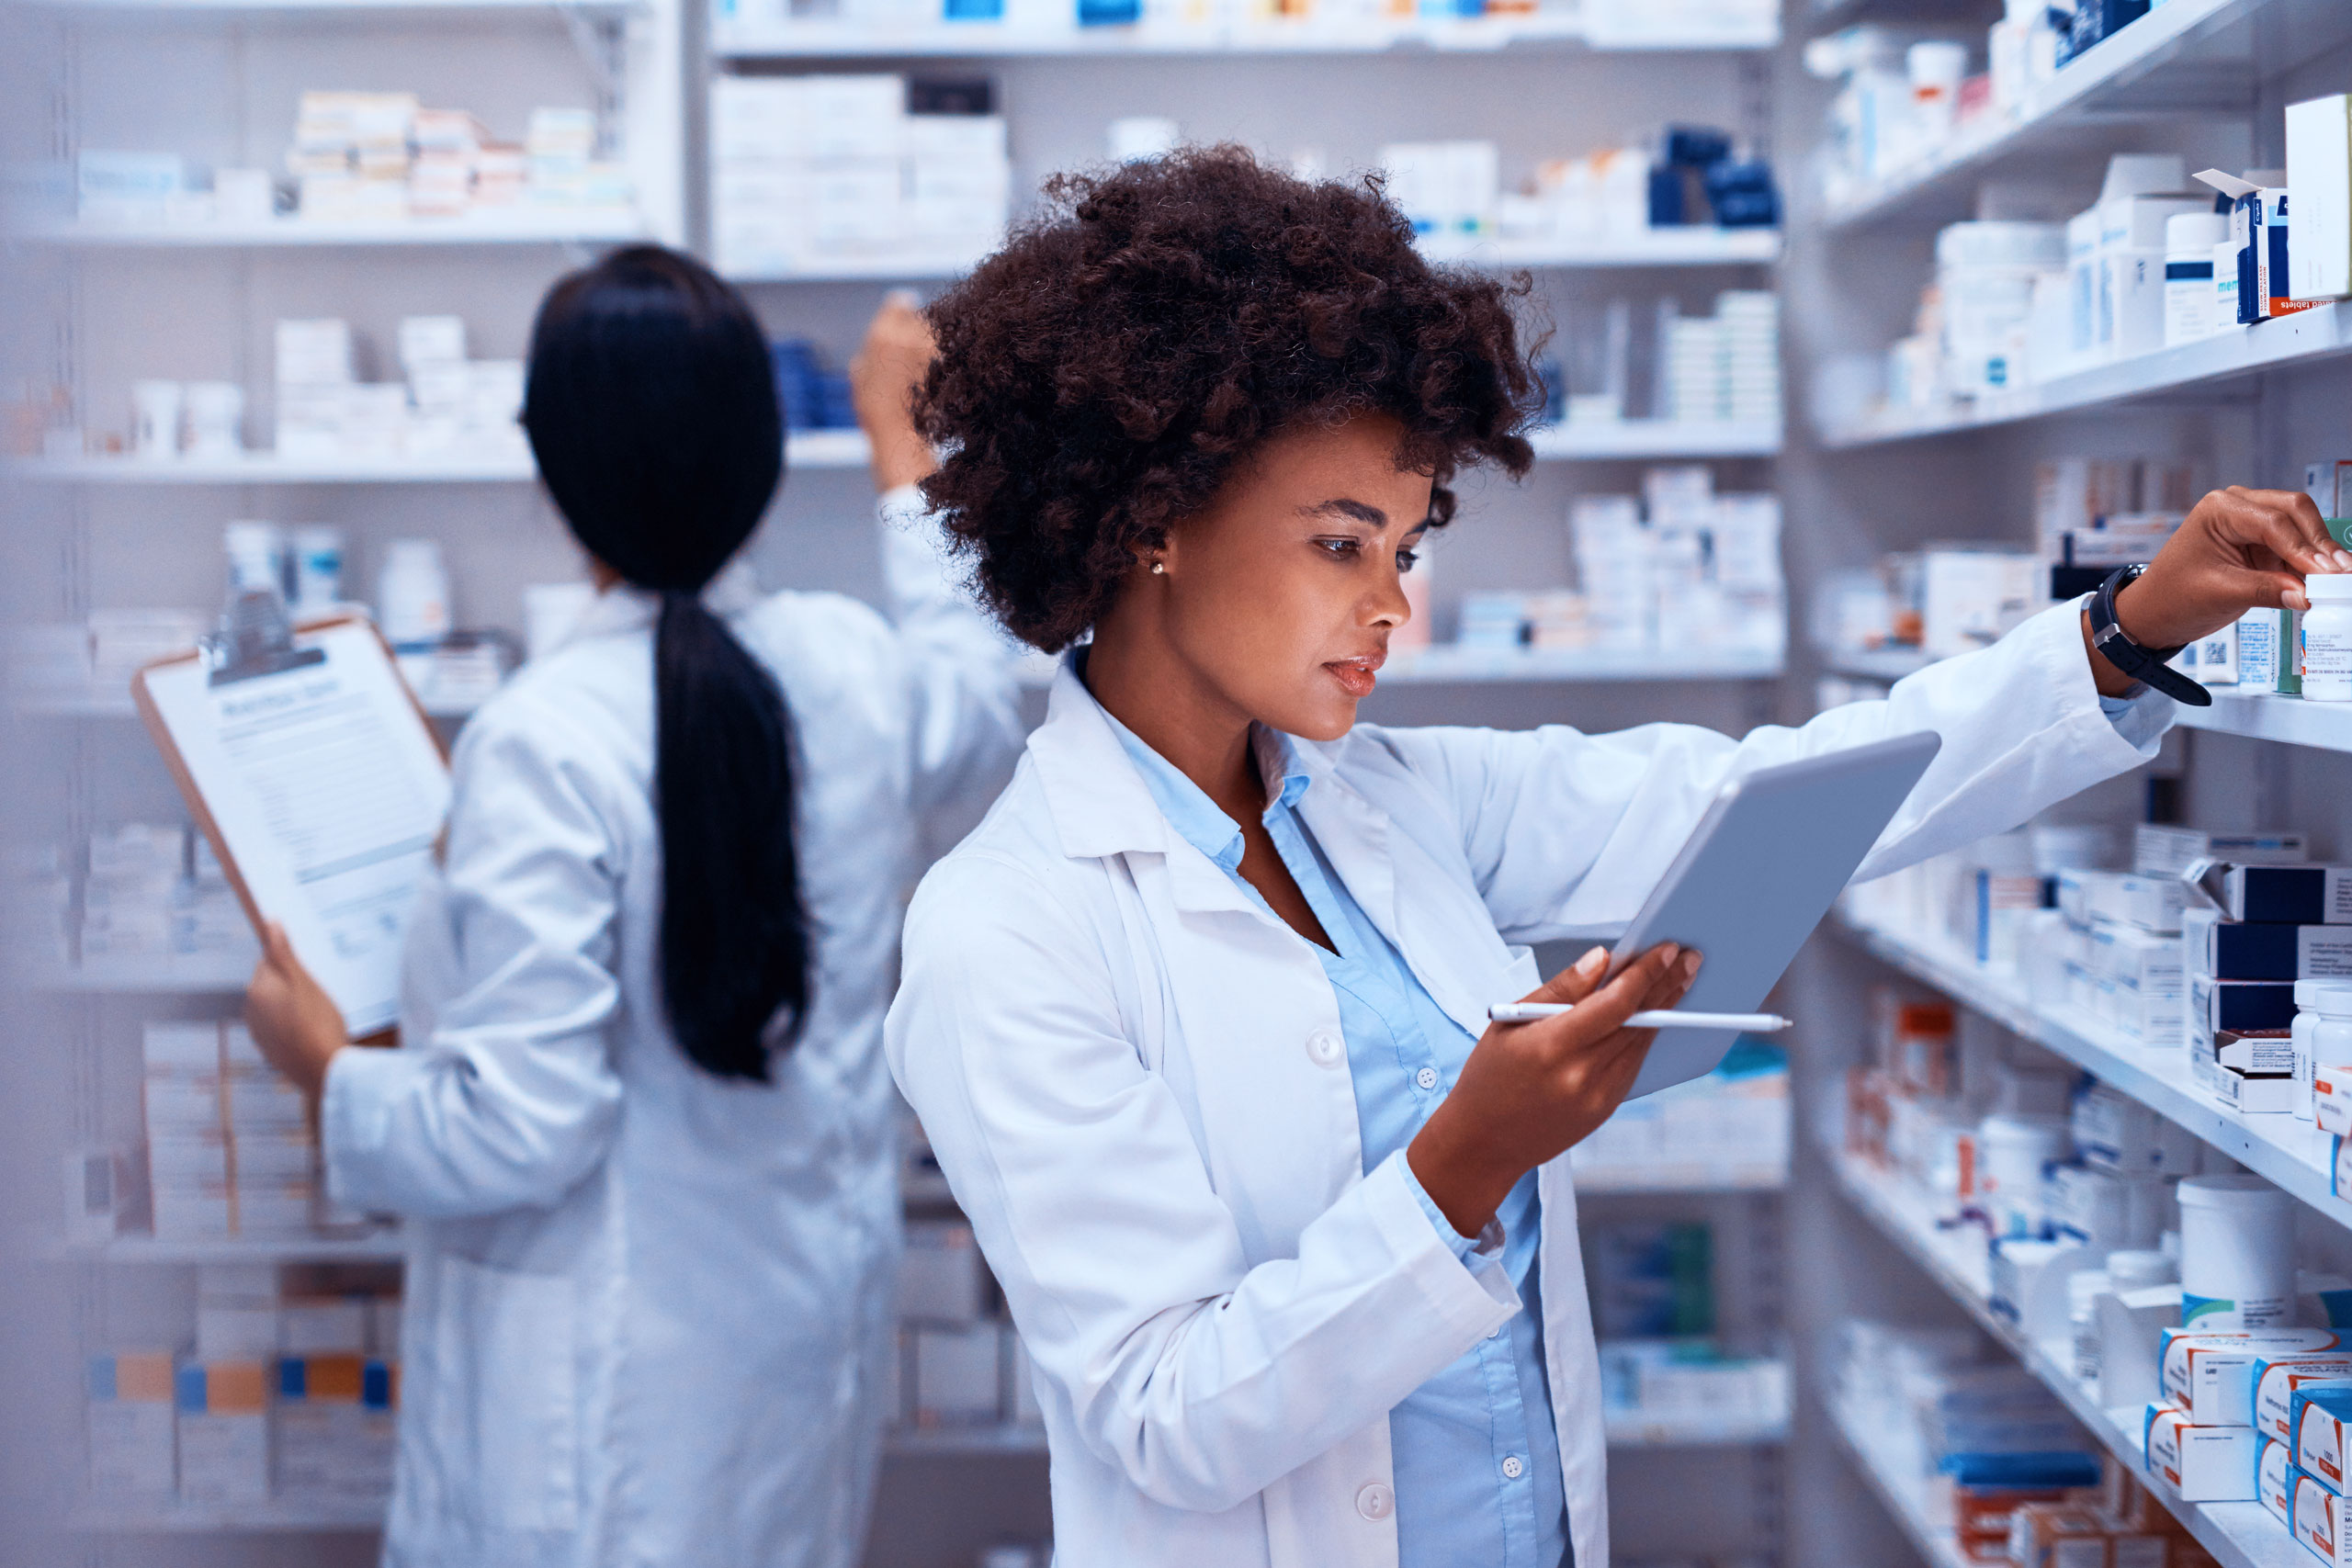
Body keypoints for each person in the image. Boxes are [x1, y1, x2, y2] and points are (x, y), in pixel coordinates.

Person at [882, 147, 2341, 1568]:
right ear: (1153, 522)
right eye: (1342, 545)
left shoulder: (1384, 801)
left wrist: (2124, 627)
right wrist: (1468, 1160)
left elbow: (1780, 798)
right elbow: (1165, 1414)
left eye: (1404, 545)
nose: (1394, 603)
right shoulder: (1007, 928)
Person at [242, 247, 1023, 1568]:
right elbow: (984, 690)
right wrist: (904, 444)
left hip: (597, 1403)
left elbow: (517, 1134)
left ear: (556, 475)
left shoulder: (544, 737)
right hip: (789, 1350)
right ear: (762, 455)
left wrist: (325, 1076)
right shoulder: (852, 669)